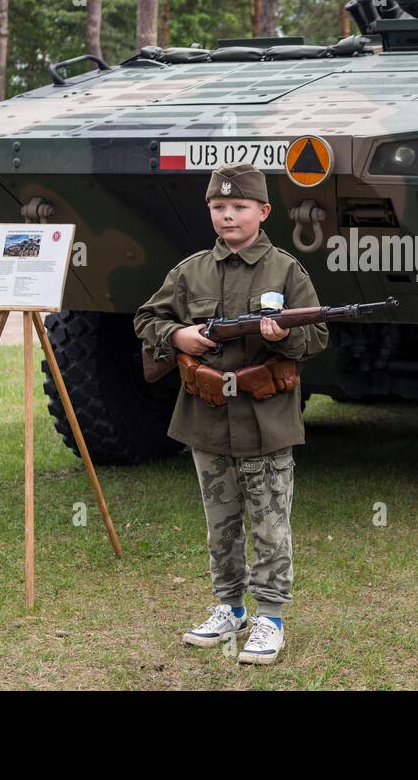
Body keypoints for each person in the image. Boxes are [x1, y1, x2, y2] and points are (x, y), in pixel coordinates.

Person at [133, 163, 328, 665]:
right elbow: (147, 319)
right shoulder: (191, 270)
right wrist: (177, 337)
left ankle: (271, 616)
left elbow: (317, 337)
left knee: (269, 522)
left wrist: (283, 334)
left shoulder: (286, 271)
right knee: (220, 522)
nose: (228, 216)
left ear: (263, 212)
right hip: (207, 417)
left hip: (266, 419)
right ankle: (229, 607)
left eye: (239, 207)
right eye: (219, 208)